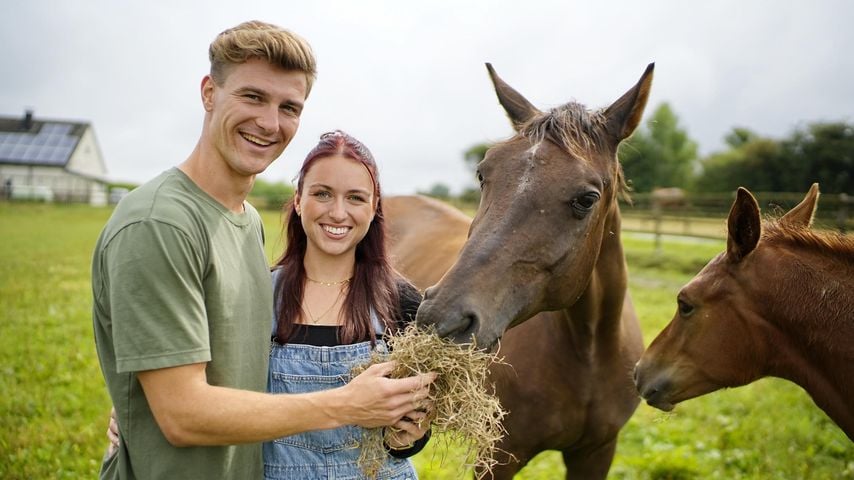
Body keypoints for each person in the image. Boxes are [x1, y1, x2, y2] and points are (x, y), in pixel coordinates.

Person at [93, 20, 434, 480]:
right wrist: (345, 405)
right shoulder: (158, 223)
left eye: (289, 106)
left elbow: (233, 363)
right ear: (209, 93)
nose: (270, 123)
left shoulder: (244, 220)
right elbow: (182, 414)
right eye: (252, 97)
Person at [264, 130, 430, 479]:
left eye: (355, 198)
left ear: (374, 207)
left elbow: (415, 428)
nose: (338, 213)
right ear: (298, 200)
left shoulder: (401, 301)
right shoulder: (259, 296)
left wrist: (408, 437)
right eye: (322, 194)